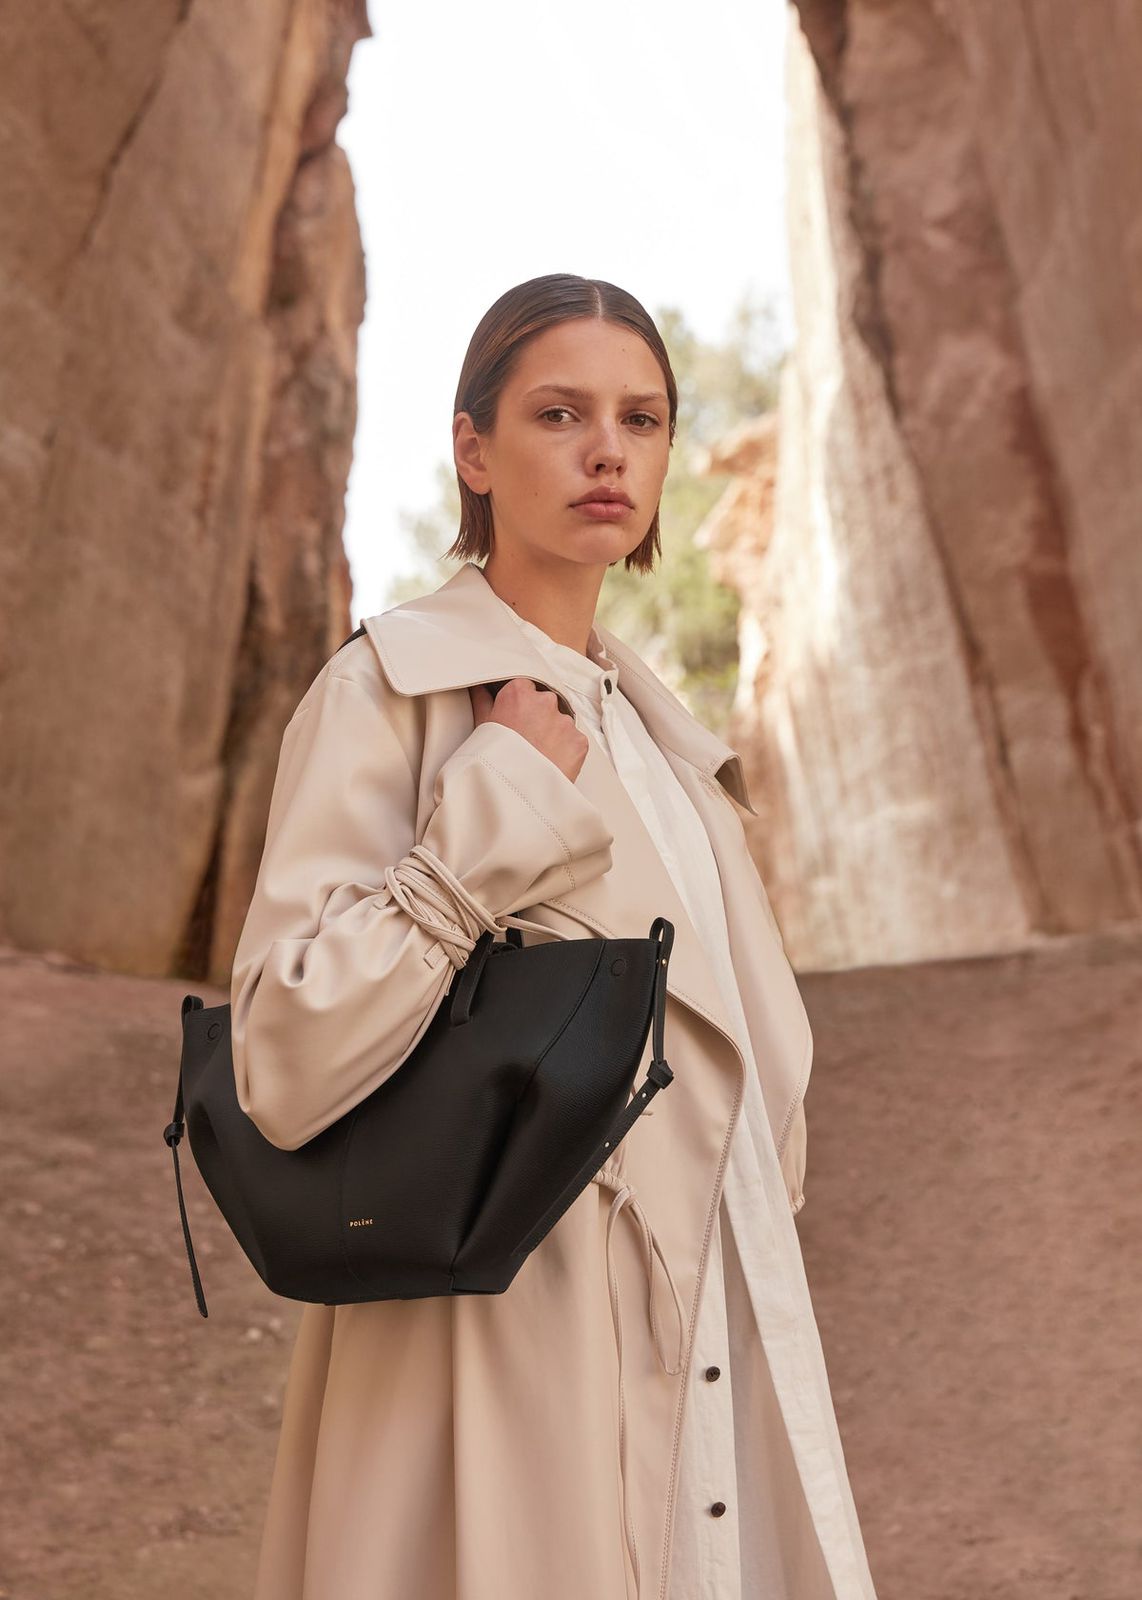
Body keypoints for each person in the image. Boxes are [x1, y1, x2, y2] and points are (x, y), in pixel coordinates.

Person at [230, 273, 879, 1599]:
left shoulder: (661, 742)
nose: (607, 452)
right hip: (503, 1343)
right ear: (472, 451)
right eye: (558, 414)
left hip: (714, 1311)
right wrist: (495, 810)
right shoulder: (390, 692)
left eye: (641, 420)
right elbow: (284, 1052)